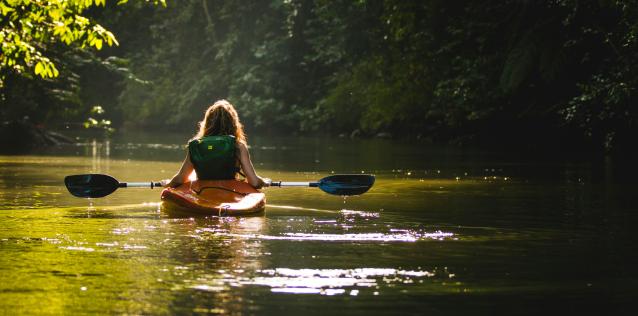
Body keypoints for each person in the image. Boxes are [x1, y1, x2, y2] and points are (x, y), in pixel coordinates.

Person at [162, 100, 269, 189]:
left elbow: (181, 179)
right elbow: (254, 182)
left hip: (202, 192)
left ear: (207, 122)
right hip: (230, 193)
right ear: (233, 123)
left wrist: (167, 183)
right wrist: (264, 181)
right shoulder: (238, 146)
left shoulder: (196, 146)